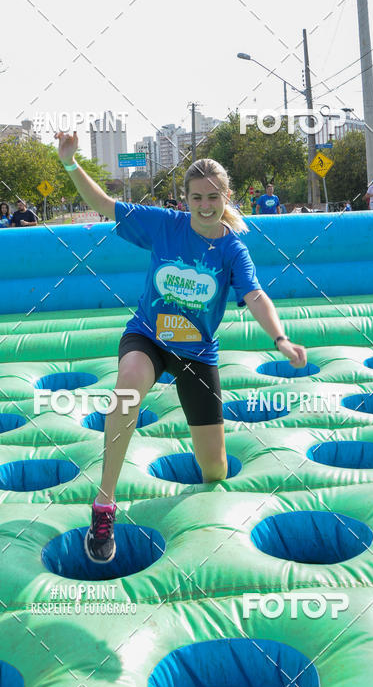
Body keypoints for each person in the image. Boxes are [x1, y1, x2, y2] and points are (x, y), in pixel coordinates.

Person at [55, 131, 308, 563]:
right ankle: (104, 504)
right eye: (196, 198)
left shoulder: (232, 250)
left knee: (214, 469)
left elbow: (255, 296)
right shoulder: (164, 225)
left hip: (196, 355)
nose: (205, 206)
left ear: (226, 197)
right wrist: (69, 162)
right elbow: (104, 204)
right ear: (185, 199)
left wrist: (280, 338)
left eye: (213, 197)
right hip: (149, 337)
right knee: (127, 388)